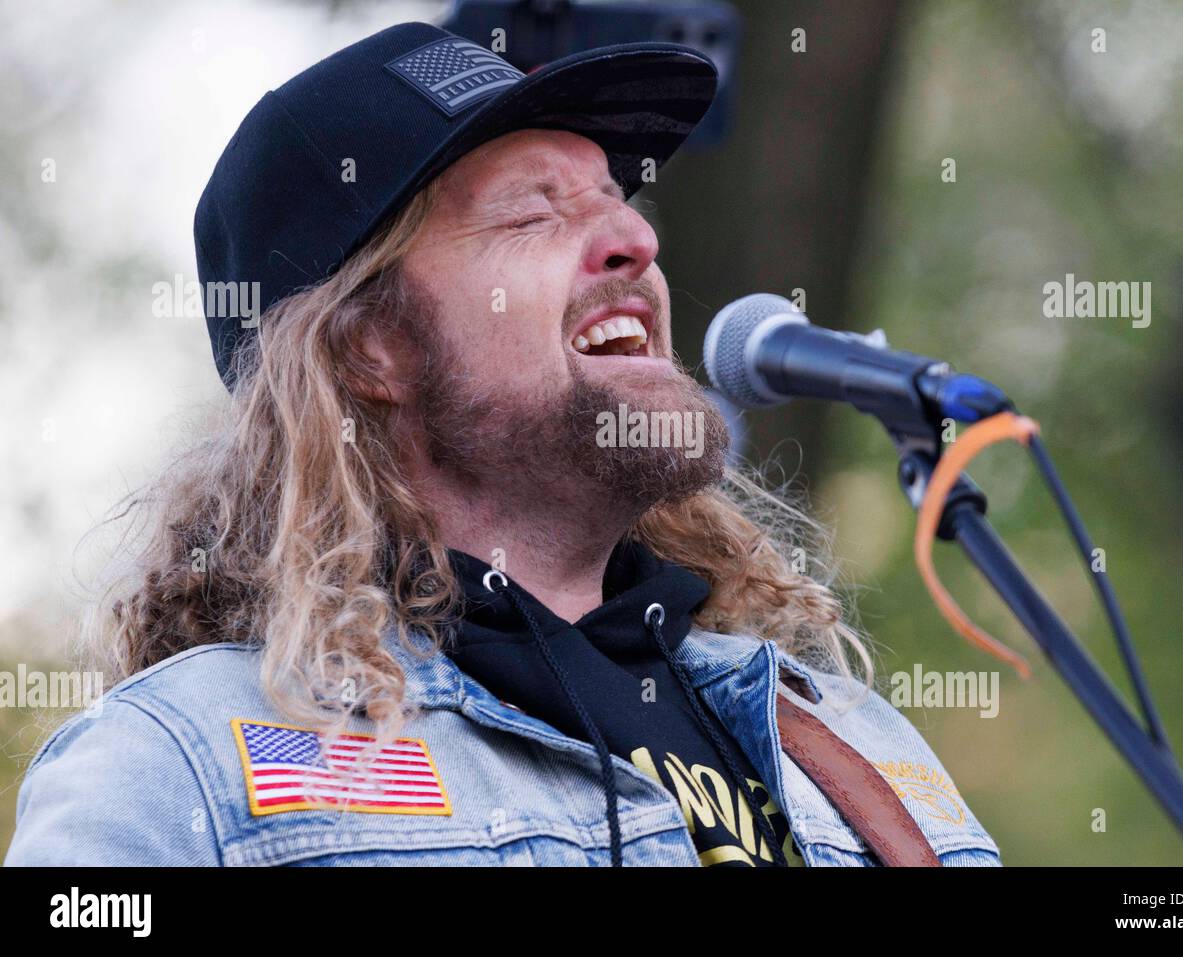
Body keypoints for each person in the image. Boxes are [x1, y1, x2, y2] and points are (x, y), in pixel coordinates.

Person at [5, 22, 1002, 867]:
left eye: (619, 200)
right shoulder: (180, 770)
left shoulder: (851, 739)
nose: (634, 241)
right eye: (534, 213)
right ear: (369, 348)